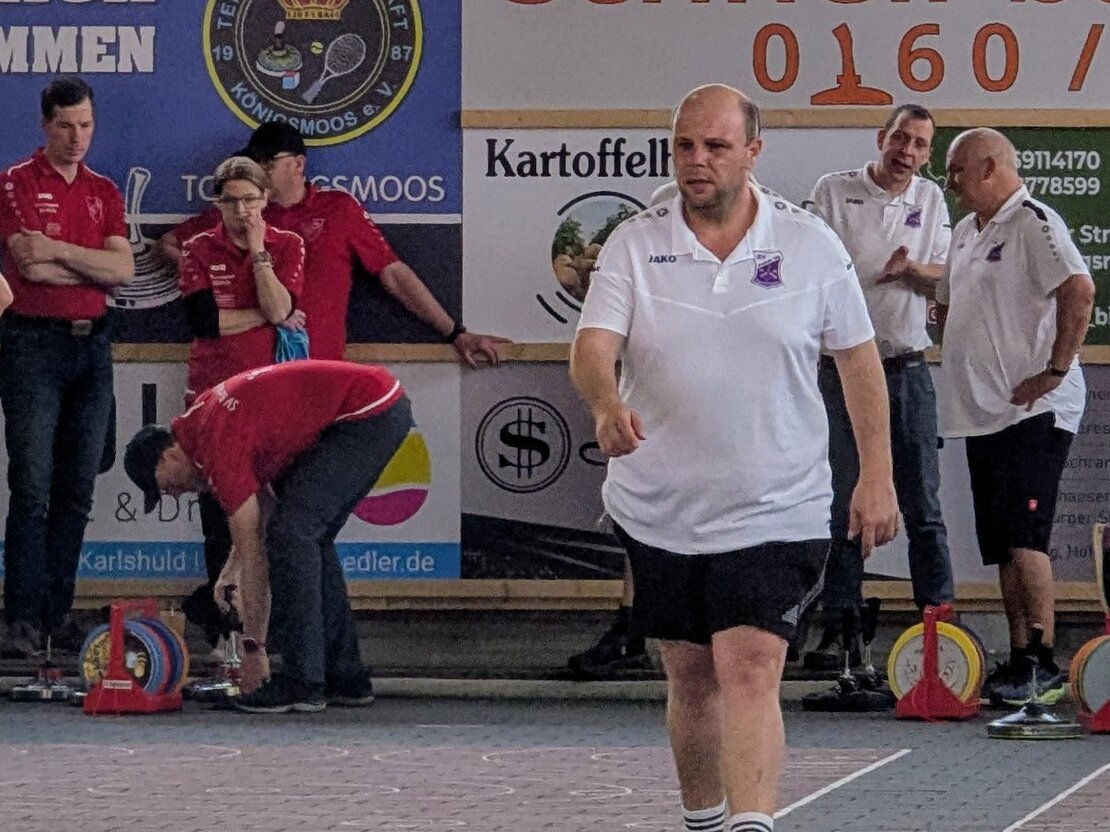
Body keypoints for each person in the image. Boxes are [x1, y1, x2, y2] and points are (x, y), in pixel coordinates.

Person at [570, 84, 898, 832]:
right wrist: (604, 403)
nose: (697, 160)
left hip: (778, 503)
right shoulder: (634, 243)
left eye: (716, 146)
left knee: (749, 664)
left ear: (753, 152)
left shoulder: (810, 245)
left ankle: (752, 824)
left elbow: (859, 362)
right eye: (685, 145)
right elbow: (593, 347)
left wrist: (876, 475)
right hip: (660, 506)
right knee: (691, 676)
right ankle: (706, 821)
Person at [124, 360, 414, 712]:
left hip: (367, 410)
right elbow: (256, 514)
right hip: (374, 404)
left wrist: (253, 650)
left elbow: (254, 556)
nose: (175, 495)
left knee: (293, 535)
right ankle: (345, 677)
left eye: (165, 487)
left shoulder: (215, 443)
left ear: (169, 456)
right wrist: (229, 572)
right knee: (306, 536)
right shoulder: (202, 428)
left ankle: (303, 682)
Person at [938, 128, 1095, 706]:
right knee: (1003, 542)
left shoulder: (1033, 220)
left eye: (957, 170)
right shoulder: (966, 230)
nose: (950, 182)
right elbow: (948, 297)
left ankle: (1044, 658)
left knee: (1027, 537)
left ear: (990, 167)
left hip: (1035, 408)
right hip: (984, 411)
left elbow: (1079, 290)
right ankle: (1019, 654)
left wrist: (1055, 370)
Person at [803, 104, 955, 669]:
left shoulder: (932, 199)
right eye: (900, 139)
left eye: (919, 144)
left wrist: (910, 271)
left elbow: (948, 278)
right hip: (839, 372)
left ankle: (941, 628)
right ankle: (839, 628)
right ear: (881, 138)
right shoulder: (833, 190)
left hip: (907, 369)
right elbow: (808, 265)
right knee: (843, 502)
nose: (907, 152)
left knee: (924, 507)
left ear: (928, 153)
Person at [160, 121, 506, 366]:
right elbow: (169, 244)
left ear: (298, 164)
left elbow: (394, 274)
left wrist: (455, 333)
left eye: (267, 162)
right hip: (244, 371)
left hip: (317, 373)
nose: (258, 171)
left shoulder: (338, 210)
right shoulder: (238, 211)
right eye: (254, 164)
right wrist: (212, 278)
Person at [0, 77, 134, 659]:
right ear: (44, 125)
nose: (77, 137)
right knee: (32, 487)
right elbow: (29, 268)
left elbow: (123, 272)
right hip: (31, 343)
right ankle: (20, 619)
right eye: (65, 126)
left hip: (93, 347)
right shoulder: (15, 181)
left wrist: (60, 252)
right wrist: (92, 267)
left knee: (77, 490)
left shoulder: (104, 190)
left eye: (85, 125)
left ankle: (56, 614)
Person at [176, 155, 306, 643]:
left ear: (265, 199)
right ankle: (224, 638)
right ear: (218, 204)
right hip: (211, 396)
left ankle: (272, 636)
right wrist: (267, 317)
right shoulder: (197, 248)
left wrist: (257, 253)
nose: (241, 211)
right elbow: (205, 323)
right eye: (231, 202)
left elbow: (280, 305)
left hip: (269, 398)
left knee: (276, 516)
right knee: (219, 517)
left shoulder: (287, 244)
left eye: (250, 200)